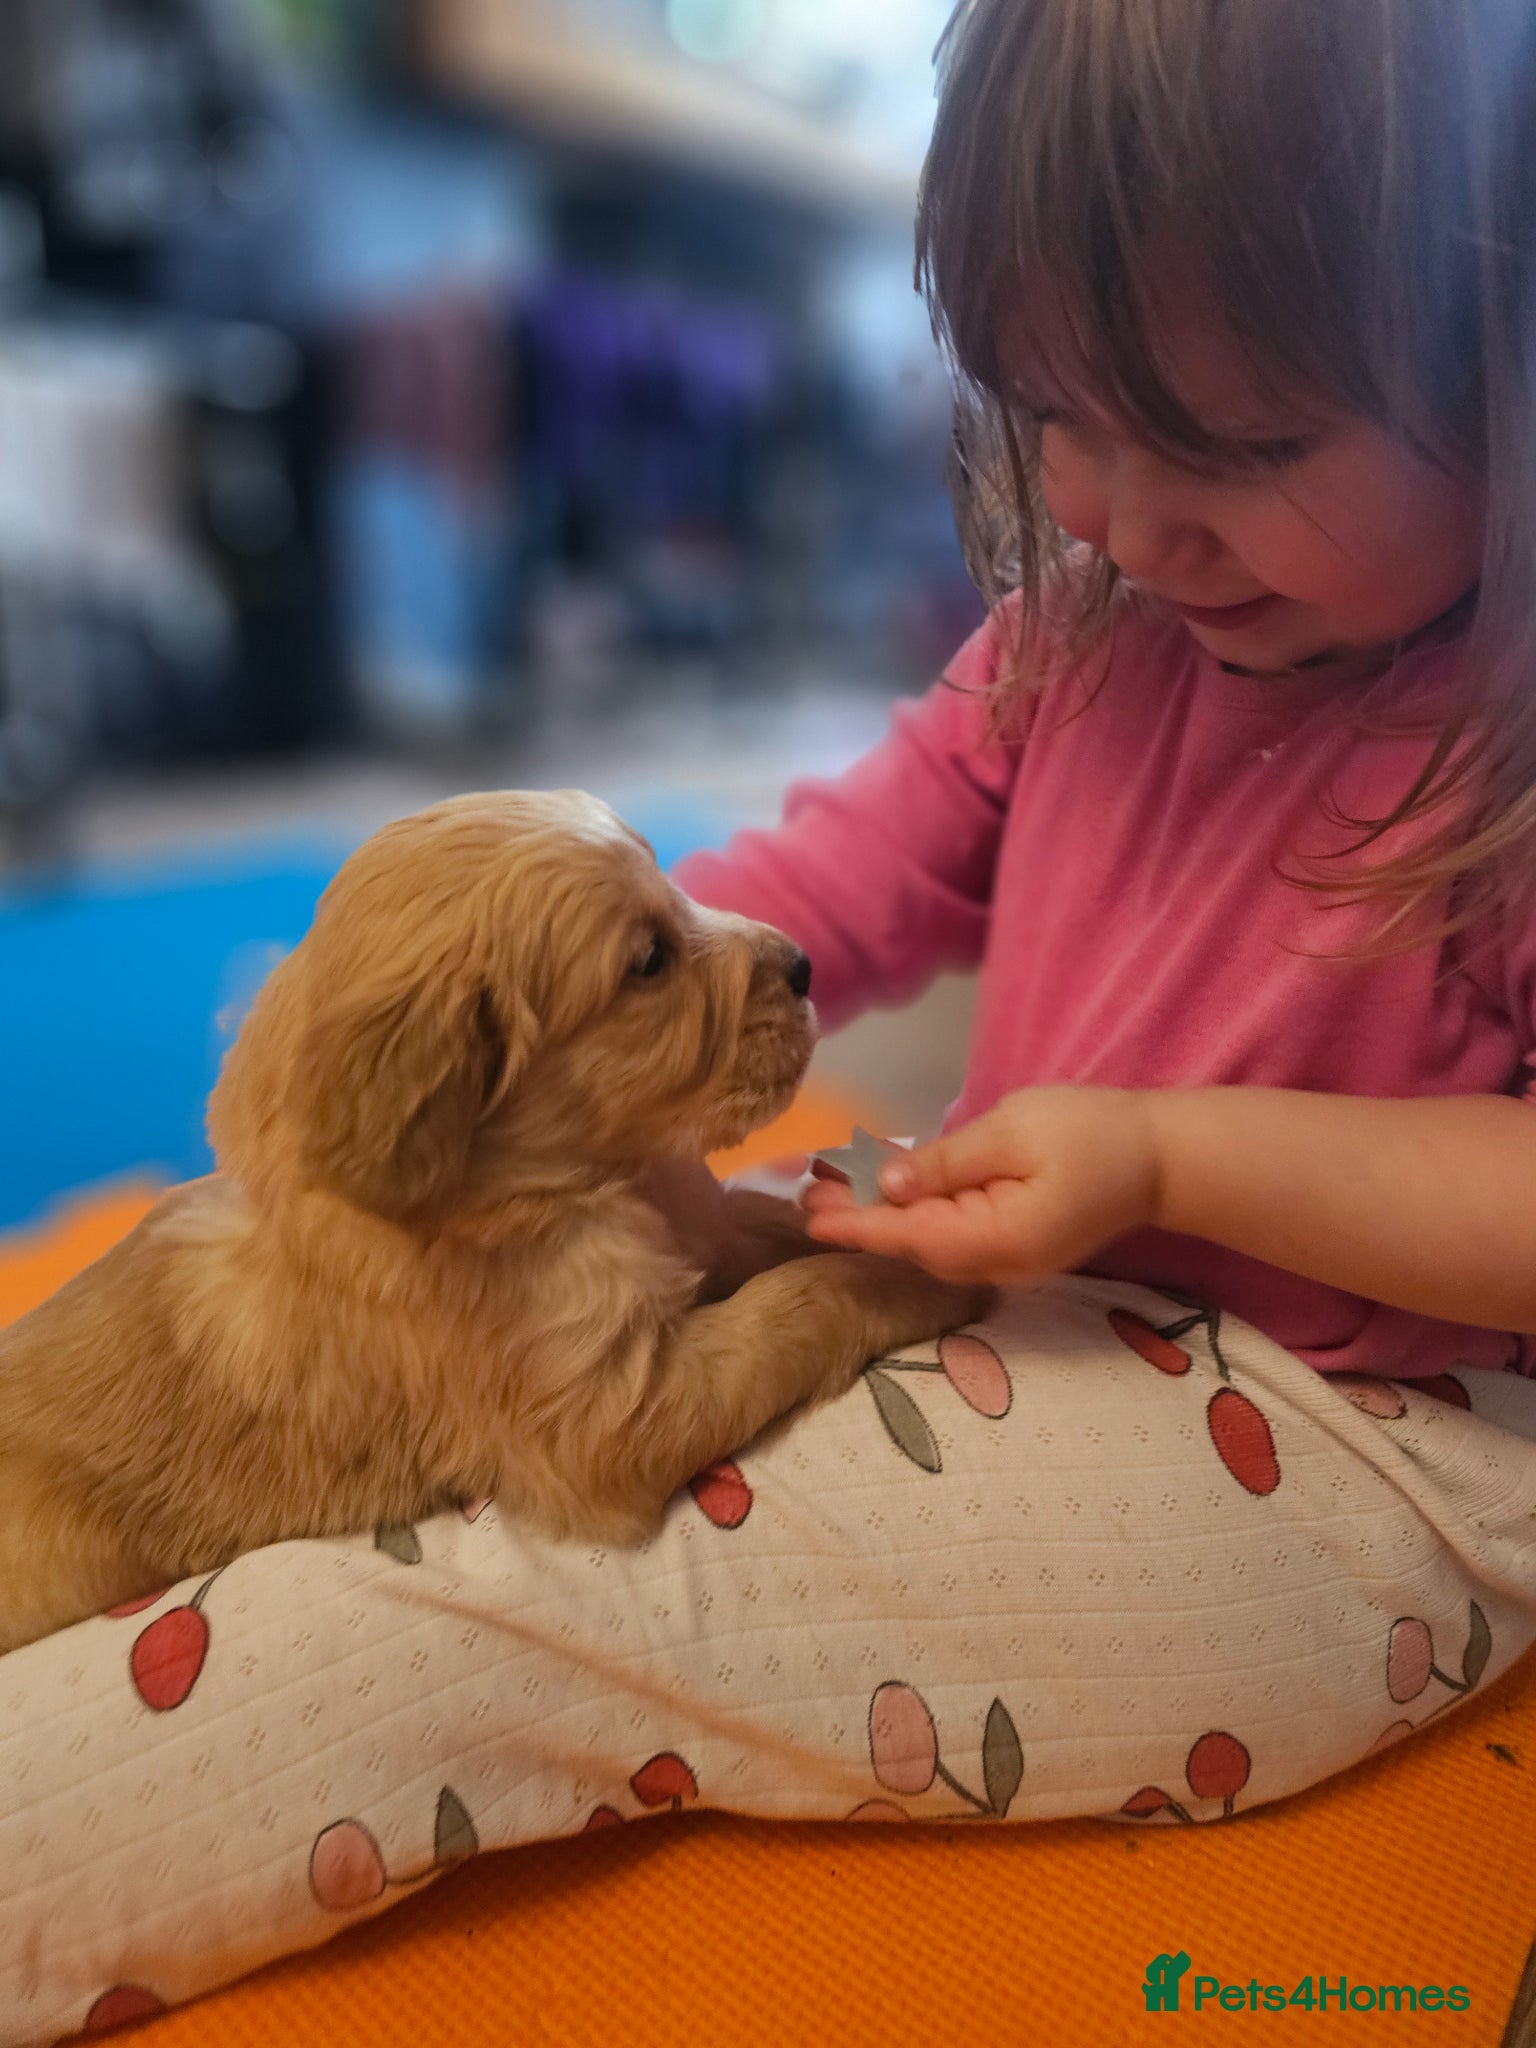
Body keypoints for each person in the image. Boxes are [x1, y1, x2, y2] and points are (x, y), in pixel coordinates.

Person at [678, 0, 1536, 1383]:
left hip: (1373, 1428)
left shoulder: (1504, 741)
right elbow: (826, 883)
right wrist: (596, 989)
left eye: (1247, 446)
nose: (1126, 532)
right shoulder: (1065, 650)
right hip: (1045, 1317)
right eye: (1064, 418)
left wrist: (1164, 1160)